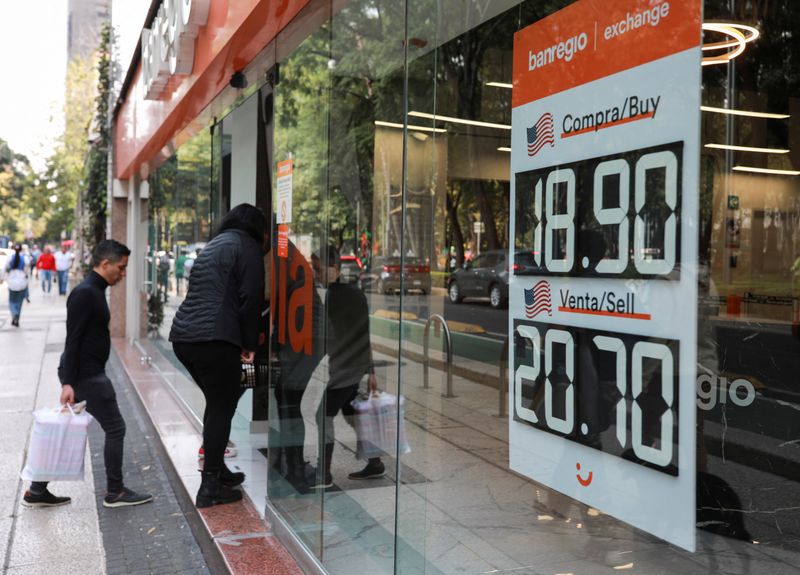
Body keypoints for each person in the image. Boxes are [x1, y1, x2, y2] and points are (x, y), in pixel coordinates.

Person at [22, 240, 153, 508]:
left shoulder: (94, 290)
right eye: (121, 267)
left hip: (85, 372)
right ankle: (115, 492)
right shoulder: (86, 293)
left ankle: (37, 490)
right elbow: (73, 339)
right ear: (105, 264)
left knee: (66, 426)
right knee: (116, 427)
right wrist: (68, 382)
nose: (123, 273)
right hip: (86, 375)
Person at [170, 204, 266, 508]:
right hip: (215, 338)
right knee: (223, 406)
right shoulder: (247, 247)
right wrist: (250, 342)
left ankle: (218, 471)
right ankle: (210, 487)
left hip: (185, 337)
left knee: (218, 402)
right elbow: (250, 298)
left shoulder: (214, 245)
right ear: (257, 228)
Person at [309, 245, 384, 490]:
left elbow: (330, 335)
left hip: (344, 368)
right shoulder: (353, 292)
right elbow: (365, 334)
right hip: (353, 365)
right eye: (314, 268)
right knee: (353, 415)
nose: (316, 273)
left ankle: (324, 474)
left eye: (318, 268)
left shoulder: (335, 295)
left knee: (323, 416)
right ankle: (375, 463)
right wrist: (370, 369)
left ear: (334, 268)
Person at [5, 244, 28, 327]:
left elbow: (6, 269)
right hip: (21, 282)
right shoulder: (24, 258)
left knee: (12, 301)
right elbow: (26, 271)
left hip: (12, 282)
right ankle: (17, 317)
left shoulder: (10, 258)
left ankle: (14, 314)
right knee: (19, 302)